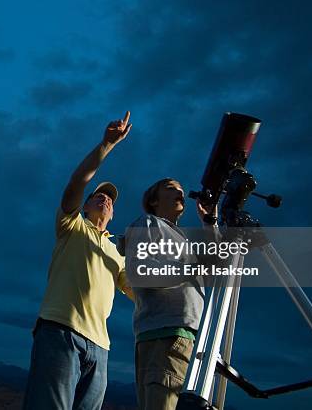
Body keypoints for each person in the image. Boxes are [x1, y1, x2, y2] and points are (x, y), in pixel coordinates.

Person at [22, 112, 134, 410]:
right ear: (85, 205)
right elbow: (77, 182)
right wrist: (106, 145)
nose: (105, 199)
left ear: (113, 214)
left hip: (100, 347)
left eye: (110, 200)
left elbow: (141, 292)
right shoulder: (72, 226)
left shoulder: (116, 250)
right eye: (98, 196)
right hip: (61, 331)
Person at [124, 178, 218, 410]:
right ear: (154, 201)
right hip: (164, 335)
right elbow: (140, 272)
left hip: (188, 336)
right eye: (171, 188)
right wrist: (190, 268)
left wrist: (210, 222)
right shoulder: (148, 223)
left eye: (181, 190)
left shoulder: (183, 238)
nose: (179, 192)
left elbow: (217, 266)